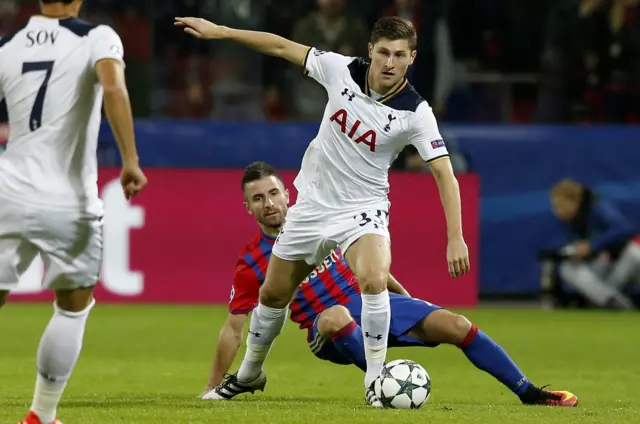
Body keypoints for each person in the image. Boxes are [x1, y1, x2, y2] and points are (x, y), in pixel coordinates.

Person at [175, 15, 471, 403]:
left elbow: (445, 175)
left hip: (363, 208)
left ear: (411, 58)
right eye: (383, 52)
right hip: (312, 206)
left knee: (373, 279)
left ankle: (375, 381)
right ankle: (248, 374)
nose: (389, 62)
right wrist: (223, 32)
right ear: (370, 50)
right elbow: (281, 46)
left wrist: (455, 237)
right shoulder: (340, 69)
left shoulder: (416, 112)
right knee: (273, 294)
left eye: (399, 55)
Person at [201, 162, 577, 408]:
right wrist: (214, 386)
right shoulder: (252, 261)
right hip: (327, 328)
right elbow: (234, 328)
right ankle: (378, 384)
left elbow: (370, 267)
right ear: (247, 208)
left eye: (273, 193)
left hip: (373, 302)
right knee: (333, 315)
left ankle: (529, 392)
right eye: (257, 199)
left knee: (458, 326)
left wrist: (405, 298)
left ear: (288, 194)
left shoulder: (324, 219)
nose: (268, 203)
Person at [0, 1, 148, 423]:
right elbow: (114, 88)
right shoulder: (96, 37)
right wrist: (130, 159)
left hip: (8, 189)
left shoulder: (7, 45)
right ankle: (42, 415)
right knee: (73, 306)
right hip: (68, 200)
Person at [540, 179, 640, 309]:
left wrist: (592, 245)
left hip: (624, 265)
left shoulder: (597, 206)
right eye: (555, 206)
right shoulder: (569, 222)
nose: (557, 210)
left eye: (560, 205)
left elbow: (624, 228)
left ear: (575, 201)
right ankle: (614, 302)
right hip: (603, 273)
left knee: (636, 252)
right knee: (567, 268)